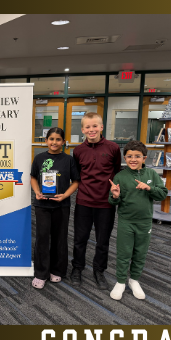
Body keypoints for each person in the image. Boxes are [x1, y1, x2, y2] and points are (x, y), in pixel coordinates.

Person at [108, 141, 169, 300]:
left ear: (144, 158)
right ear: (125, 158)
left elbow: (162, 194)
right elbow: (113, 201)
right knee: (124, 252)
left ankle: (134, 279)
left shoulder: (152, 175)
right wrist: (115, 195)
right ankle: (121, 281)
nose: (133, 159)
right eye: (129, 156)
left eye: (137, 156)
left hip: (145, 222)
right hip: (126, 221)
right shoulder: (120, 176)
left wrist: (149, 188)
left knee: (140, 252)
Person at [69, 112, 122, 290]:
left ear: (101, 127)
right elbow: (77, 175)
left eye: (95, 126)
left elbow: (116, 172)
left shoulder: (113, 148)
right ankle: (77, 268)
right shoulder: (77, 151)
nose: (91, 130)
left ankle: (99, 271)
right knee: (80, 238)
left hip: (105, 203)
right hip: (83, 201)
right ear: (82, 129)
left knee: (103, 240)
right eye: (87, 127)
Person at [29, 127, 80, 289]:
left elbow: (76, 182)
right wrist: (37, 192)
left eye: (58, 139)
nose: (54, 142)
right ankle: (41, 273)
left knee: (60, 237)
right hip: (42, 204)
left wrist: (65, 195)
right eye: (51, 139)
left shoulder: (68, 160)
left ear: (63, 142)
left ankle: (57, 270)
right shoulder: (39, 158)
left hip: (61, 205)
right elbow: (33, 178)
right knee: (42, 238)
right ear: (46, 141)